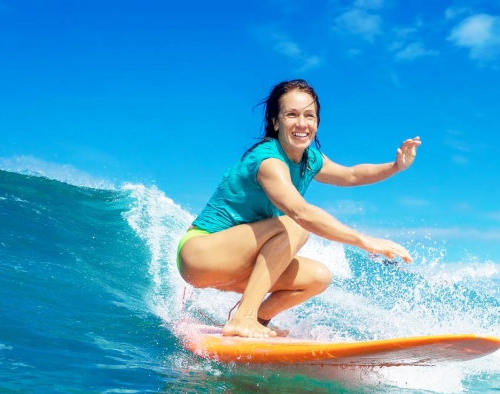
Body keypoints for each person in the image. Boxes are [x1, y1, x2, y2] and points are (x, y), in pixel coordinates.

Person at [177, 79, 420, 339]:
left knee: (317, 277)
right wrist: (364, 241)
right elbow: (300, 213)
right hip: (201, 254)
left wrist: (395, 166)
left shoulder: (310, 159)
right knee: (293, 225)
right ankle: (242, 318)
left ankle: (257, 319)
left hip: (237, 264)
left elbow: (350, 175)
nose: (302, 123)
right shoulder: (268, 161)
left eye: (309, 115)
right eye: (291, 114)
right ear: (275, 121)